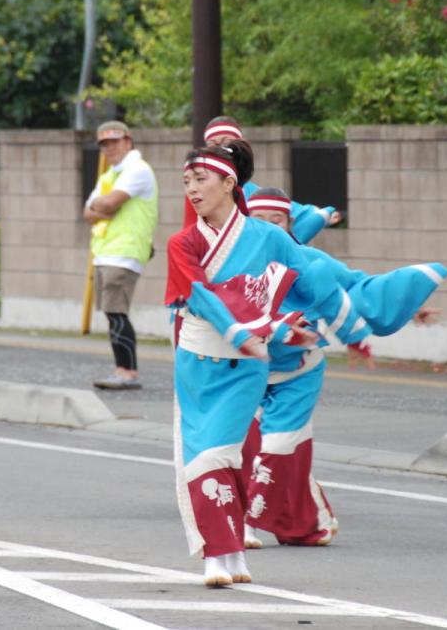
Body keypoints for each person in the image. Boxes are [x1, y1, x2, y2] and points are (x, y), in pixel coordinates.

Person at [165, 141, 368, 586]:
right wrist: (246, 331)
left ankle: (227, 551)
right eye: (186, 182)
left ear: (228, 182)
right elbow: (199, 294)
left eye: (200, 179)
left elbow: (316, 279)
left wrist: (353, 328)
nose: (192, 190)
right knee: (205, 458)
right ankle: (222, 554)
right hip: (199, 360)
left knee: (225, 454)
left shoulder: (270, 237)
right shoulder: (183, 242)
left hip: (248, 364)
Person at [242, 186, 447, 548]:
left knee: (278, 448)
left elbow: (354, 288)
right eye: (259, 221)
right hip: (245, 370)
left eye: (277, 220)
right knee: (252, 451)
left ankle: (247, 522)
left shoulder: (308, 259)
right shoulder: (230, 260)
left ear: (290, 225)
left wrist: (410, 307)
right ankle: (306, 525)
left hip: (298, 371)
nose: (269, 228)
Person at [83, 120, 158, 390]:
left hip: (124, 252)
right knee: (113, 314)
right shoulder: (110, 175)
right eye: (104, 144)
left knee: (117, 313)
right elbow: (88, 211)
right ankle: (123, 369)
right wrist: (101, 205)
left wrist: (102, 205)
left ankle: (126, 372)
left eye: (114, 142)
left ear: (128, 141)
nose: (109, 148)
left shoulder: (137, 170)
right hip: (106, 252)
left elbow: (108, 203)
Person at [191, 116, 342, 244]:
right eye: (213, 143)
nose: (221, 148)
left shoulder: (253, 194)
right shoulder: (197, 193)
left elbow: (299, 214)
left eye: (227, 142)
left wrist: (324, 215)